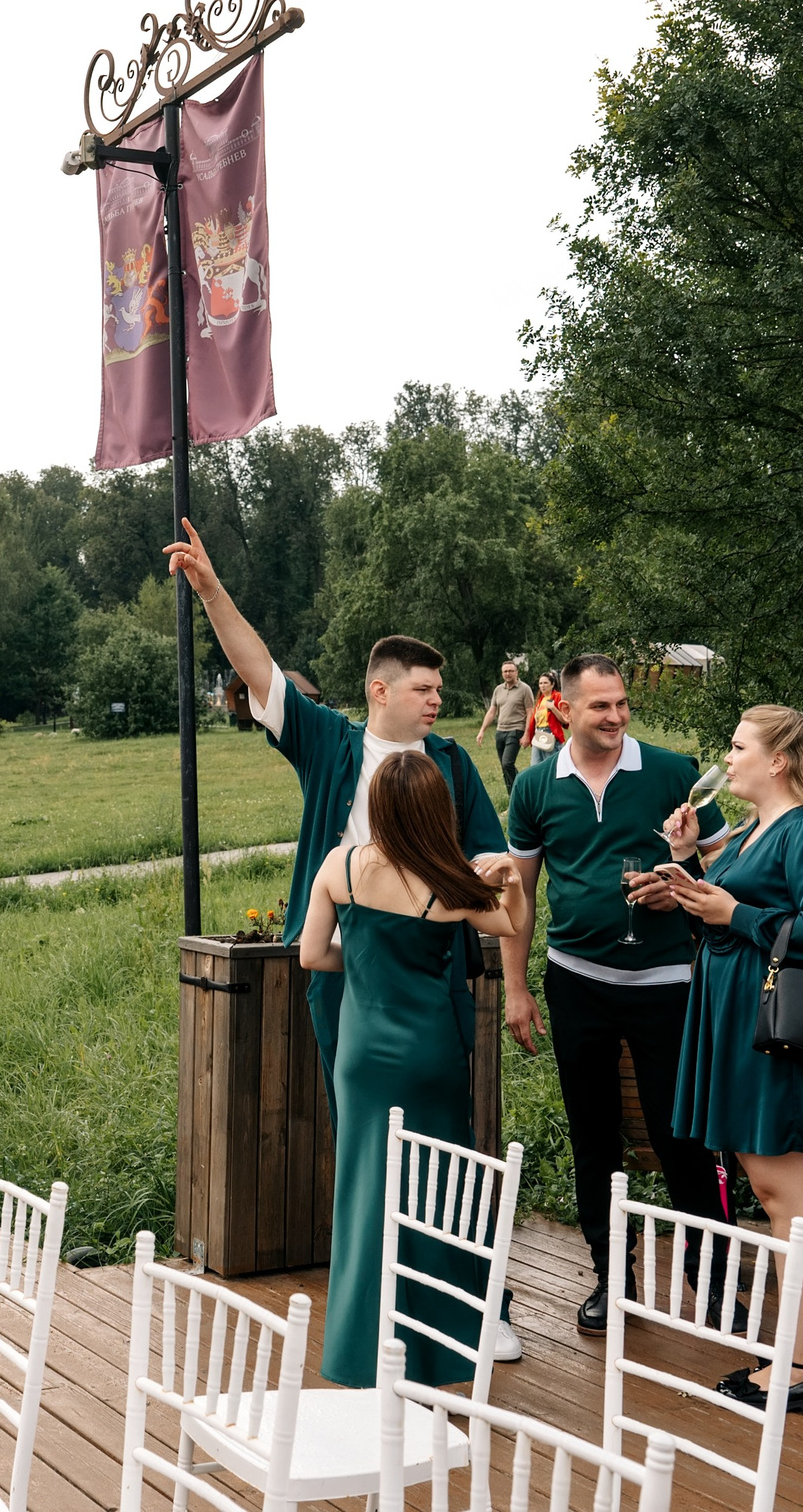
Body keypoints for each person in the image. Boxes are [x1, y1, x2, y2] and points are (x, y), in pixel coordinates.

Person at [166, 519, 524, 1359]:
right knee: (364, 1138)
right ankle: (380, 1308)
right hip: (347, 976)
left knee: (451, 1141)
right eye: (424, 689)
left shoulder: (454, 765)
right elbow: (257, 668)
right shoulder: (328, 742)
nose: (437, 701)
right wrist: (212, 589)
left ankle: (480, 1303)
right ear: (379, 690)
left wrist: (514, 980)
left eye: (440, 690)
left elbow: (496, 875)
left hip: (435, 971)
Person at [505, 654, 737, 1336]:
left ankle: (715, 1281)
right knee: (593, 1137)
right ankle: (614, 1279)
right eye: (600, 705)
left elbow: (730, 870)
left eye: (622, 703)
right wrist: (517, 986)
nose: (615, 715)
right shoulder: (535, 788)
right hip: (576, 983)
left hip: (667, 985)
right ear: (565, 710)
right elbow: (518, 894)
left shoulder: (673, 774)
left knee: (682, 1134)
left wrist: (685, 884)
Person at [655, 704, 803, 1413]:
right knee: (796, 1195)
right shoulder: (756, 829)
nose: (730, 755)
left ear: (777, 760)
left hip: (774, 1031)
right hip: (743, 1017)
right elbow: (725, 918)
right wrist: (688, 867)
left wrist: (733, 913)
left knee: (787, 1198)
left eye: (739, 745)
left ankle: (797, 1368)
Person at [298, 751, 530, 1386]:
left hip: (362, 1055)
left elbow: (312, 956)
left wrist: (372, 966)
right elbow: (511, 926)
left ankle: (355, 1346)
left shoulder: (338, 866)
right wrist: (510, 878)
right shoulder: (452, 885)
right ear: (437, 811)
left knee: (364, 1189)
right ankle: (437, 1345)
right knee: (434, 1191)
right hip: (429, 1053)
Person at [474, 659, 536, 791]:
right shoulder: (498, 689)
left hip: (516, 730)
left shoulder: (524, 689)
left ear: (516, 672)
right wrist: (482, 730)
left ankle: (522, 789)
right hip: (500, 731)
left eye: (510, 671)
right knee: (504, 767)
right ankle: (512, 797)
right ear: (502, 673)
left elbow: (530, 712)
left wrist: (527, 734)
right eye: (505, 671)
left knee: (507, 763)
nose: (508, 674)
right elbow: (492, 711)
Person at [526, 674, 568, 768]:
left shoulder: (558, 697)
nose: (542, 685)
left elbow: (565, 720)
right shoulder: (540, 699)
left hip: (551, 734)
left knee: (552, 766)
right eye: (540, 683)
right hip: (538, 734)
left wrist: (553, 708)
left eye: (545, 683)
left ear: (552, 684)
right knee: (535, 765)